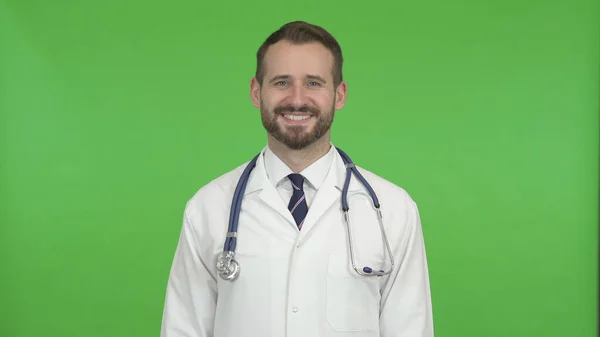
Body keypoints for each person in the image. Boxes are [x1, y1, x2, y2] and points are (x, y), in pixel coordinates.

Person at [160, 20, 434, 337]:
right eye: (281, 82)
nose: (297, 99)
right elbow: (183, 329)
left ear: (340, 95)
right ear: (256, 92)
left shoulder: (393, 210)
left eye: (314, 83)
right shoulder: (208, 208)